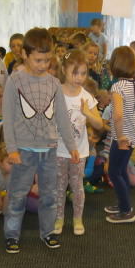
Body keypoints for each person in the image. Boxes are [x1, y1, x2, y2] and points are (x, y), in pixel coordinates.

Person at [2, 27, 78, 253]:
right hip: (23, 150)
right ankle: (11, 235)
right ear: (25, 54)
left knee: (50, 195)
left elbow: (62, 118)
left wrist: (72, 146)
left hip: (49, 149)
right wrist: (12, 148)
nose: (43, 65)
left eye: (47, 60)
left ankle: (48, 232)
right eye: (38, 60)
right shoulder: (15, 81)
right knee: (17, 195)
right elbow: (8, 117)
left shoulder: (54, 83)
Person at [54, 50, 103, 237]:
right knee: (59, 186)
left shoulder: (86, 96)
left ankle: (77, 218)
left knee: (77, 186)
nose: (79, 78)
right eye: (75, 73)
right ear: (64, 70)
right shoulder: (56, 92)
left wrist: (88, 113)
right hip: (58, 150)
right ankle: (59, 218)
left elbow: (99, 125)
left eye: (83, 73)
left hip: (79, 151)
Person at [105, 46, 135, 224]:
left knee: (114, 172)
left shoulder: (117, 87)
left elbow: (118, 115)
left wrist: (120, 137)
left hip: (122, 138)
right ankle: (124, 203)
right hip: (134, 136)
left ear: (114, 65)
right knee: (121, 170)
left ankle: (126, 210)